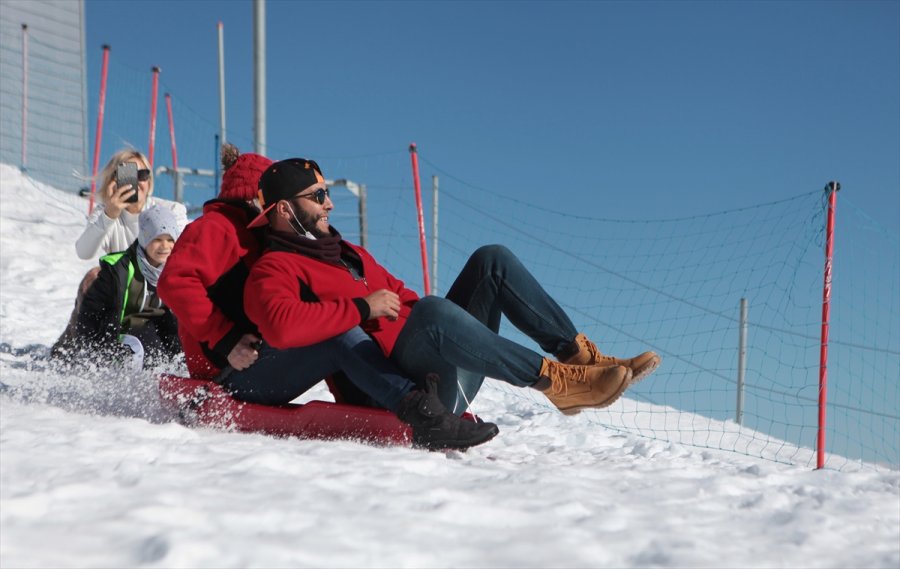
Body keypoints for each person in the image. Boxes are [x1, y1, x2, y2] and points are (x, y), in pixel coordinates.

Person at [244, 158, 661, 416]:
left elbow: (403, 302)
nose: (330, 203)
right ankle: (554, 382)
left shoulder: (348, 252)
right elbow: (281, 326)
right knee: (429, 311)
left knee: (491, 259)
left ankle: (579, 359)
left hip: (434, 358)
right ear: (284, 209)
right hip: (398, 390)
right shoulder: (275, 266)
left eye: (327, 193)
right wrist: (362, 309)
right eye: (318, 196)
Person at [158, 146, 496, 450]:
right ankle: (419, 411)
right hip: (228, 371)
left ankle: (411, 400)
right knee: (335, 330)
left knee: (332, 319)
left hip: (260, 356)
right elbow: (175, 283)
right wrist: (226, 339)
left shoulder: (261, 235)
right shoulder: (214, 228)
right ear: (253, 197)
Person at [52, 149, 188, 356]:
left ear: (149, 181)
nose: (137, 182)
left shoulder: (168, 210)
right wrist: (110, 214)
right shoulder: (106, 213)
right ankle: (80, 350)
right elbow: (84, 252)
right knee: (92, 278)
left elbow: (177, 253)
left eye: (143, 175)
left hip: (158, 287)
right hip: (121, 292)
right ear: (114, 180)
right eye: (129, 175)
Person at [54, 205, 183, 368]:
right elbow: (91, 309)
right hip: (120, 331)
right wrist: (90, 349)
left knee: (177, 350)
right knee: (144, 348)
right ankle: (135, 386)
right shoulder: (119, 270)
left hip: (157, 327)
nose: (165, 246)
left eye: (170, 240)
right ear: (144, 238)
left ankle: (177, 382)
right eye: (157, 239)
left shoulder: (175, 269)